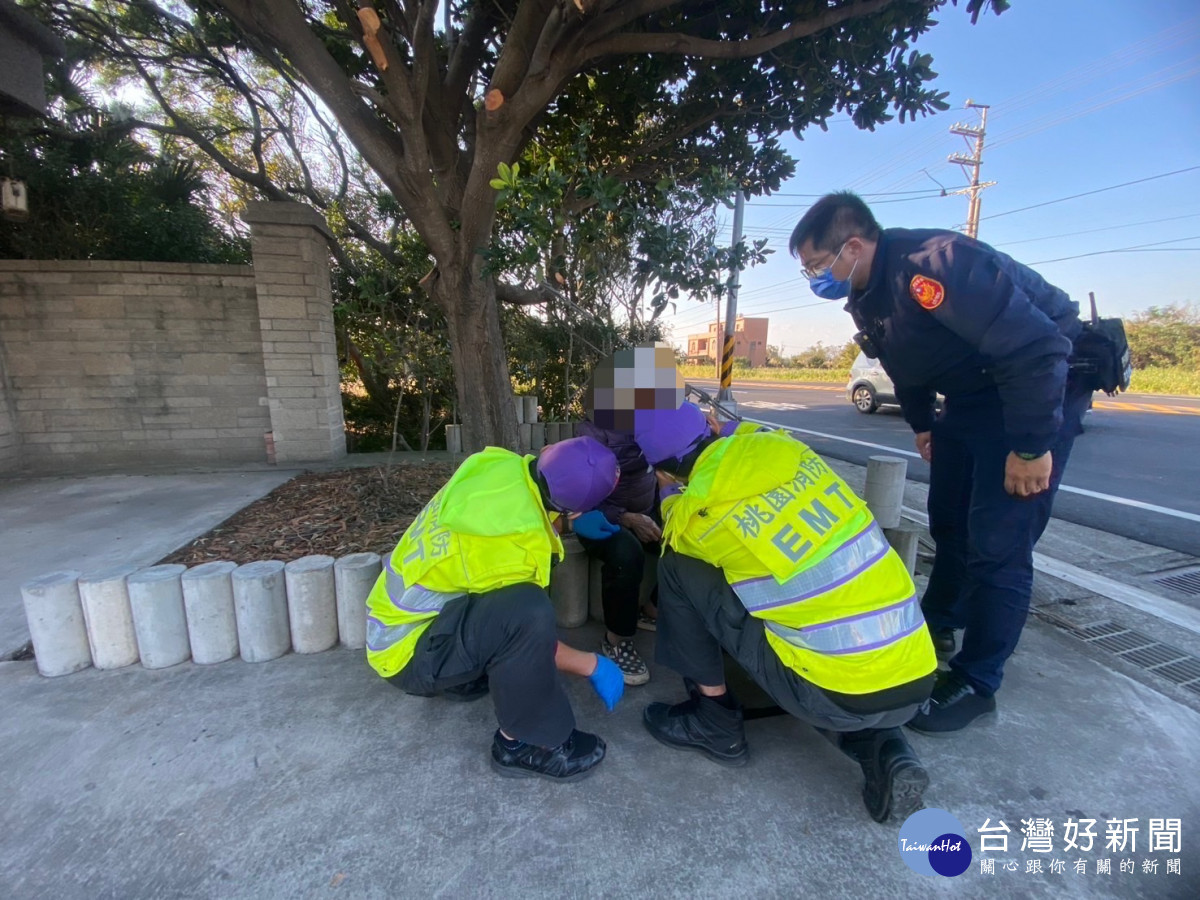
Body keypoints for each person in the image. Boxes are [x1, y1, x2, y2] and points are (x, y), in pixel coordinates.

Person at [789, 191, 1091, 735]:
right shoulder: (867, 289)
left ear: (852, 246)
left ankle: (979, 680)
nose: (814, 277)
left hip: (1028, 391)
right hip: (968, 399)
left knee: (998, 541)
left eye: (816, 264)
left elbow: (1038, 350)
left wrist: (1028, 447)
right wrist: (924, 423)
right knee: (949, 521)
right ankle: (942, 622)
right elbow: (904, 361)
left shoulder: (933, 267)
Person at [634, 402, 937, 823]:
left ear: (661, 469)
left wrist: (667, 488)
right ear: (711, 423)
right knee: (835, 632)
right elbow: (747, 431)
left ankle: (714, 721)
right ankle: (887, 747)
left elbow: (672, 524)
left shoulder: (699, 515)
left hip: (832, 694)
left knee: (678, 567)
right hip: (918, 671)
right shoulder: (790, 451)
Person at [364, 436, 626, 783]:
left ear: (549, 452)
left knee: (515, 611)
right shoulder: (514, 550)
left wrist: (569, 524)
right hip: (409, 659)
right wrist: (591, 664)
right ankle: (524, 744)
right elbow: (525, 632)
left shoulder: (495, 465)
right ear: (575, 509)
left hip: (393, 628)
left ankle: (464, 674)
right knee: (528, 613)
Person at [574, 413, 663, 685]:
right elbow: (581, 494)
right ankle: (617, 640)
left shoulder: (656, 420)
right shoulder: (592, 431)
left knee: (689, 534)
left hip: (648, 507)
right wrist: (626, 518)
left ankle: (651, 609)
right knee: (627, 554)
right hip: (598, 515)